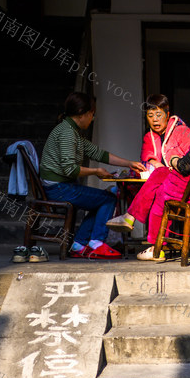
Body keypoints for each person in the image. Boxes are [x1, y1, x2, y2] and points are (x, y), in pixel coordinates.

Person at [105, 83, 190, 260]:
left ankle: (155, 247)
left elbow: (185, 166)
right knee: (160, 175)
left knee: (160, 190)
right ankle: (130, 217)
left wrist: (174, 159)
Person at [38, 92, 145, 259]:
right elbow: (70, 170)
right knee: (108, 199)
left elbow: (98, 153)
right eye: (92, 114)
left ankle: (79, 244)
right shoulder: (67, 133)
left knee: (102, 200)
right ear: (83, 114)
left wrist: (128, 163)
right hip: (58, 188)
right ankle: (96, 243)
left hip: (60, 186)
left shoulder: (72, 131)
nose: (92, 118)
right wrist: (96, 171)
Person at [140, 93, 190, 171]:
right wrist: (154, 162)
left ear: (167, 115)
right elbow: (145, 157)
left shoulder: (182, 131)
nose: (154, 119)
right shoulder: (149, 137)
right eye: (150, 115)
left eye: (159, 115)